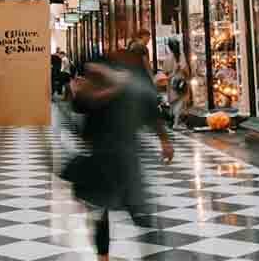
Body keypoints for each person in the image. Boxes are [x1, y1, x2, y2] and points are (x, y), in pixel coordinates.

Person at [66, 60, 174, 261]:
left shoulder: (117, 93)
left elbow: (149, 113)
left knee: (135, 213)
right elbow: (83, 106)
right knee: (104, 214)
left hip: (122, 161)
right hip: (104, 162)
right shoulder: (93, 94)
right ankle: (104, 257)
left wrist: (164, 140)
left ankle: (145, 255)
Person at [162, 37, 190, 127]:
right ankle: (177, 122)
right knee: (181, 101)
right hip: (180, 80)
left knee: (173, 101)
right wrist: (188, 75)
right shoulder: (180, 56)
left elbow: (165, 71)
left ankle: (175, 120)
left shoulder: (167, 57)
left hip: (171, 81)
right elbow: (185, 69)